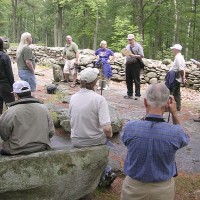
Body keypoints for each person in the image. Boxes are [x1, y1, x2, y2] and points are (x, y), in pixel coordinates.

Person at [121, 83, 190, 200]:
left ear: (145, 102)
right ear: (168, 103)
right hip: (163, 190)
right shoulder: (175, 133)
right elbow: (184, 139)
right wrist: (174, 114)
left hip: (133, 188)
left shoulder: (130, 127)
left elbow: (127, 141)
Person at [0, 80, 55, 155]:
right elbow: (51, 132)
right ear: (30, 92)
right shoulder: (43, 108)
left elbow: (4, 135)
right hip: (41, 147)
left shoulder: (11, 111)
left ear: (15, 94)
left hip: (16, 150)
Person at [69, 67, 112, 147]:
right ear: (95, 82)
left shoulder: (73, 97)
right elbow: (107, 129)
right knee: (109, 140)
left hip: (76, 140)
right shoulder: (99, 99)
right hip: (94, 140)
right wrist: (110, 136)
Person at [123, 34, 144, 100]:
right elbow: (124, 55)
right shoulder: (127, 46)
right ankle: (130, 94)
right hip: (128, 64)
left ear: (133, 39)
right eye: (128, 39)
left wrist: (134, 56)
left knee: (136, 79)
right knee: (128, 79)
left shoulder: (138, 46)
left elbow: (142, 55)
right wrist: (123, 52)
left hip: (135, 64)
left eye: (130, 39)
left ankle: (137, 95)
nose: (129, 40)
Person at [169, 44, 186, 111]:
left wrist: (182, 77)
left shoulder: (178, 58)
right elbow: (183, 68)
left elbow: (181, 69)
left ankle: (170, 106)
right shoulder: (180, 57)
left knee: (170, 91)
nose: (172, 50)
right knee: (176, 92)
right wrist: (183, 77)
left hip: (175, 77)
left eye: (173, 49)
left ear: (176, 50)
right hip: (177, 77)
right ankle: (177, 106)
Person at [0, 38, 15, 115]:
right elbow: (9, 72)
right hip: (5, 84)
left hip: (3, 84)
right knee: (11, 106)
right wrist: (13, 85)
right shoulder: (4, 56)